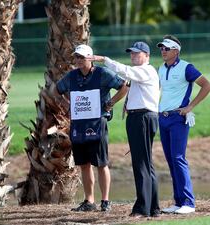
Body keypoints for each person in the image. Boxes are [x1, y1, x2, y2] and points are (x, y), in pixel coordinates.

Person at [89, 41, 161, 218]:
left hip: (142, 118)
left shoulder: (146, 70)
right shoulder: (141, 73)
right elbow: (132, 86)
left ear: (147, 56)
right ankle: (153, 208)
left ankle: (142, 208)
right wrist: (127, 104)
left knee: (141, 164)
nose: (133, 56)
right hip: (140, 117)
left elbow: (125, 72)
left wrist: (103, 59)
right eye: (132, 53)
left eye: (137, 53)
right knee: (146, 163)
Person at [56, 44, 128, 212]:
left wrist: (110, 103)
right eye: (76, 57)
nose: (78, 60)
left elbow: (124, 86)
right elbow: (58, 89)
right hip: (78, 125)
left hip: (98, 124)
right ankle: (89, 201)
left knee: (101, 163)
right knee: (84, 164)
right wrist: (70, 103)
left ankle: (105, 201)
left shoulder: (102, 74)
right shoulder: (71, 76)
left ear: (90, 58)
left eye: (82, 57)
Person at [156, 35, 210, 214]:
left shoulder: (186, 67)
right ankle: (179, 202)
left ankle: (189, 202)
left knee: (179, 158)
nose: (163, 51)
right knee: (171, 160)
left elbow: (207, 85)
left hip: (178, 119)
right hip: (162, 118)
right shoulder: (160, 68)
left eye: (166, 48)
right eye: (161, 48)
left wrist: (190, 106)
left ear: (176, 51)